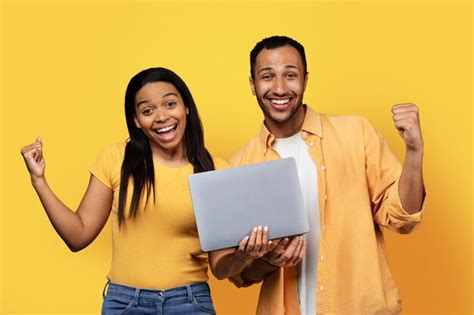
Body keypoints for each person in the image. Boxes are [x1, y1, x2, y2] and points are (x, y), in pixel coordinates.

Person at [213, 36, 426, 314]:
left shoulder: (356, 133)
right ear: (253, 84)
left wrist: (414, 150)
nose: (279, 88)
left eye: (290, 75)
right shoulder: (240, 166)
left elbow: (403, 218)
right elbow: (240, 275)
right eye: (267, 76)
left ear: (305, 79)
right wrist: (268, 261)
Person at [20, 67, 226, 314]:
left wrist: (251, 253)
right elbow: (78, 236)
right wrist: (39, 180)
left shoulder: (216, 170)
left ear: (186, 108)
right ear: (137, 120)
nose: (161, 117)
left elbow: (222, 266)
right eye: (147, 110)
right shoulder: (116, 158)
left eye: (170, 104)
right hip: (126, 303)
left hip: (190, 302)